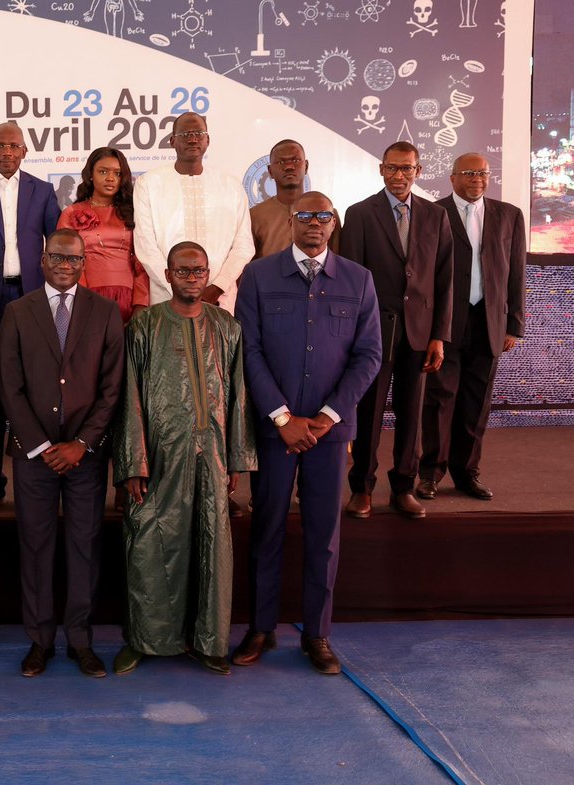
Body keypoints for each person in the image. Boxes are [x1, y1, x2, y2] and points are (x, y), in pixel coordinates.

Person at [234, 192, 382, 675]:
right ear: (291, 221)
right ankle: (261, 628)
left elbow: (369, 356)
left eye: (323, 216)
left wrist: (329, 415)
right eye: (305, 216)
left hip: (328, 434)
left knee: (324, 535)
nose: (314, 223)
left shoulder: (359, 280)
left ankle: (317, 635)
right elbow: (249, 352)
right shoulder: (257, 276)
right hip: (277, 431)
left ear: (333, 222)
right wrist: (281, 416)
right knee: (267, 529)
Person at [113, 241, 256, 676]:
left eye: (199, 270)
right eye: (183, 270)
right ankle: (145, 639)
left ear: (208, 274)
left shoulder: (227, 327)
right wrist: (133, 461)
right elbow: (129, 397)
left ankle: (209, 641)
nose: (191, 277)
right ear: (168, 274)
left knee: (211, 546)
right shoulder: (145, 326)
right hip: (158, 456)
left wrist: (235, 460)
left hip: (211, 455)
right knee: (149, 544)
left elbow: (238, 397)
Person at [0, 229, 125, 678]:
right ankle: (40, 641)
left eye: (74, 259)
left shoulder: (107, 313)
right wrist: (41, 445)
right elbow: (9, 386)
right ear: (42, 260)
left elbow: (112, 389)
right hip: (34, 456)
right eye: (57, 257)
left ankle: (80, 640)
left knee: (83, 547)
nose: (65, 265)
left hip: (85, 456)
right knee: (35, 547)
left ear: (84, 261)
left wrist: (82, 443)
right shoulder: (17, 312)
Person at [341, 141, 454, 519]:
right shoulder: (359, 214)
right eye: (392, 168)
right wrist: (352, 335)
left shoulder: (436, 216)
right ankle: (362, 488)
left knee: (412, 412)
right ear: (381, 169)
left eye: (407, 168)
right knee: (368, 412)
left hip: (420, 333)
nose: (399, 175)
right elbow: (350, 279)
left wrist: (439, 335)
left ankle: (404, 486)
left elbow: (443, 280)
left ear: (418, 171)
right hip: (373, 331)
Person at [0, 121, 61, 509]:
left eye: (13, 146)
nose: (6, 152)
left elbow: (57, 246)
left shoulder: (43, 191)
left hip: (30, 297)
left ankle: (33, 477)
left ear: (24, 151)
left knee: (31, 386)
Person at [419, 154, 526, 502]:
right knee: (439, 400)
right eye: (469, 173)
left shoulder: (509, 215)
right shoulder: (432, 213)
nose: (477, 179)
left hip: (489, 322)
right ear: (452, 179)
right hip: (446, 324)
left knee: (476, 403)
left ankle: (467, 473)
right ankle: (431, 473)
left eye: (482, 173)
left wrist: (514, 324)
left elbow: (516, 273)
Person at [133, 112, 254, 313]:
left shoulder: (231, 186)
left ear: (208, 140)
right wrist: (179, 290)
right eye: (185, 134)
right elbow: (146, 246)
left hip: (218, 300)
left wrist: (216, 288)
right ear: (172, 141)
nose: (192, 138)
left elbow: (244, 247)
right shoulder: (149, 183)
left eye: (199, 132)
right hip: (167, 297)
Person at [57, 146, 150, 324]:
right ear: (90, 174)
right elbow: (66, 262)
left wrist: (140, 304)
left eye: (117, 173)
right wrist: (82, 300)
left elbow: (142, 262)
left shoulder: (134, 212)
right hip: (87, 297)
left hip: (128, 299)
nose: (110, 178)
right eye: (103, 171)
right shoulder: (71, 213)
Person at [249, 139, 342, 259]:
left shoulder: (327, 215)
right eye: (280, 162)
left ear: (306, 166)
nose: (289, 167)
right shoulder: (255, 215)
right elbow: (248, 266)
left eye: (295, 160)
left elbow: (337, 263)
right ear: (270, 171)